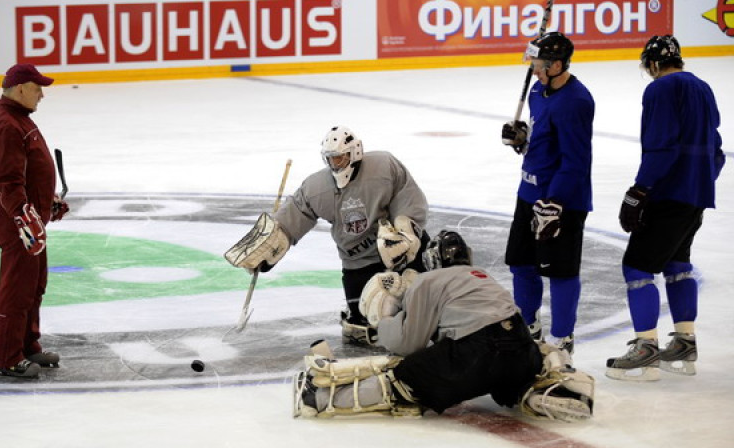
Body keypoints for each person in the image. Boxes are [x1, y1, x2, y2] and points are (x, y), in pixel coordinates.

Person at [292, 231, 595, 422]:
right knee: (531, 360)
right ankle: (546, 391)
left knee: (406, 374)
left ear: (432, 260)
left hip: (475, 354)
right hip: (519, 348)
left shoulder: (428, 280)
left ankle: (318, 398)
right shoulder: (482, 276)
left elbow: (407, 343)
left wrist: (384, 322)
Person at [225, 126, 429, 345]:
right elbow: (295, 213)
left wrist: (405, 233)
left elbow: (407, 196)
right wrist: (273, 244)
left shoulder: (383, 167)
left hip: (402, 250)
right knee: (371, 317)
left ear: (355, 152)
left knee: (422, 299)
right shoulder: (317, 187)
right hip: (358, 261)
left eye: (340, 158)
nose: (336, 164)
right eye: (331, 159)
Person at [606, 35, 725, 381]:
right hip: (696, 194)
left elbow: (662, 147)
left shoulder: (659, 90)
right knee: (677, 264)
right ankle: (685, 342)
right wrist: (700, 181)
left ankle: (645, 350)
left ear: (653, 64)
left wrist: (640, 190)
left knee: (637, 268)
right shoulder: (703, 87)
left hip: (669, 193)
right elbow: (716, 149)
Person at [500, 32, 595, 353]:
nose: (534, 70)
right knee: (521, 264)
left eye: (539, 65)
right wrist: (522, 140)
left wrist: (554, 201)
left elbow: (576, 160)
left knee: (561, 271)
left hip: (561, 201)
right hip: (528, 195)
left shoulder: (577, 102)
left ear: (556, 65)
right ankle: (527, 324)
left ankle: (562, 338)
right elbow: (543, 145)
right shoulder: (538, 92)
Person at [0, 63, 69, 378]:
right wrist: (22, 217)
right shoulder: (7, 125)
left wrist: (49, 204)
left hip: (31, 224)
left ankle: (27, 346)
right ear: (20, 88)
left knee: (34, 287)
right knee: (17, 290)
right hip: (19, 229)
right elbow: (8, 182)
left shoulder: (18, 119)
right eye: (37, 88)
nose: (41, 95)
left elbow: (29, 174)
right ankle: (5, 358)